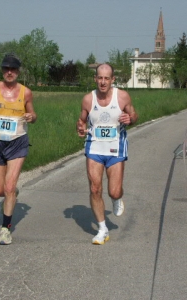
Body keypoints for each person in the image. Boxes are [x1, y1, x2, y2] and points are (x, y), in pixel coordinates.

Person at [76, 63, 138, 245]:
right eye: (100, 78)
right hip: (94, 148)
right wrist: (80, 127)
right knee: (95, 188)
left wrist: (130, 118)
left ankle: (117, 198)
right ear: (95, 79)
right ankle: (102, 229)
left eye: (106, 78)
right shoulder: (88, 99)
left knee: (114, 190)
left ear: (112, 80)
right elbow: (81, 121)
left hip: (115, 149)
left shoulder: (122, 97)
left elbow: (134, 116)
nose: (103, 82)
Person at [0, 53, 37, 245]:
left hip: (18, 141)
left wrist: (31, 117)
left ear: (18, 72)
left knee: (9, 186)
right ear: (2, 70)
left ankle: (6, 229)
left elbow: (33, 114)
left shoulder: (26, 92)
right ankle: (12, 193)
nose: (9, 72)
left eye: (13, 69)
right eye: (6, 69)